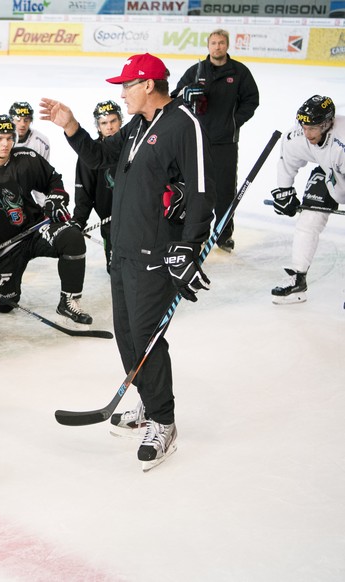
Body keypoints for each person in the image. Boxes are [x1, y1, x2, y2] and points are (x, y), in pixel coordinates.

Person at [40, 52, 215, 471]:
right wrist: (71, 127)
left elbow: (204, 189)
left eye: (127, 86)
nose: (121, 94)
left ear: (149, 86)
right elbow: (100, 157)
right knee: (127, 335)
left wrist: (190, 245)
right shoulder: (138, 125)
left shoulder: (182, 124)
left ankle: (164, 420)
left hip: (155, 252)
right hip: (122, 248)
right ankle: (147, 398)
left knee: (147, 336)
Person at [0, 114, 93, 326]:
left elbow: (54, 180)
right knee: (4, 304)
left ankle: (69, 301)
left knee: (72, 239)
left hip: (35, 229)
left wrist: (55, 198)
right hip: (4, 247)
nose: (6, 143)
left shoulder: (26, 157)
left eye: (9, 137)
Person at [172, 29, 259, 253]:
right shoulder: (196, 70)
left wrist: (234, 122)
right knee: (194, 188)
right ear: (208, 46)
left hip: (225, 142)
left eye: (221, 43)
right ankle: (194, 233)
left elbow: (252, 100)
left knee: (224, 191)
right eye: (213, 43)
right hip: (196, 140)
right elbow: (175, 96)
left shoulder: (239, 72)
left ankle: (223, 235)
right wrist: (186, 94)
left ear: (227, 45)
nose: (217, 47)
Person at [269, 95, 344, 304]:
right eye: (304, 126)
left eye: (313, 128)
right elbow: (288, 161)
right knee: (308, 221)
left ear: (328, 123)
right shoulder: (298, 136)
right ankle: (298, 281)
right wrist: (285, 191)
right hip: (330, 171)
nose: (307, 133)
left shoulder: (343, 141)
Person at [73, 100, 123, 272]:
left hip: (139, 218)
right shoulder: (91, 153)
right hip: (110, 222)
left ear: (121, 121)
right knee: (116, 270)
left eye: (113, 121)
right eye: (104, 123)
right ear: (98, 126)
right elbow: (84, 192)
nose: (109, 127)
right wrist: (78, 221)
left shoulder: (134, 147)